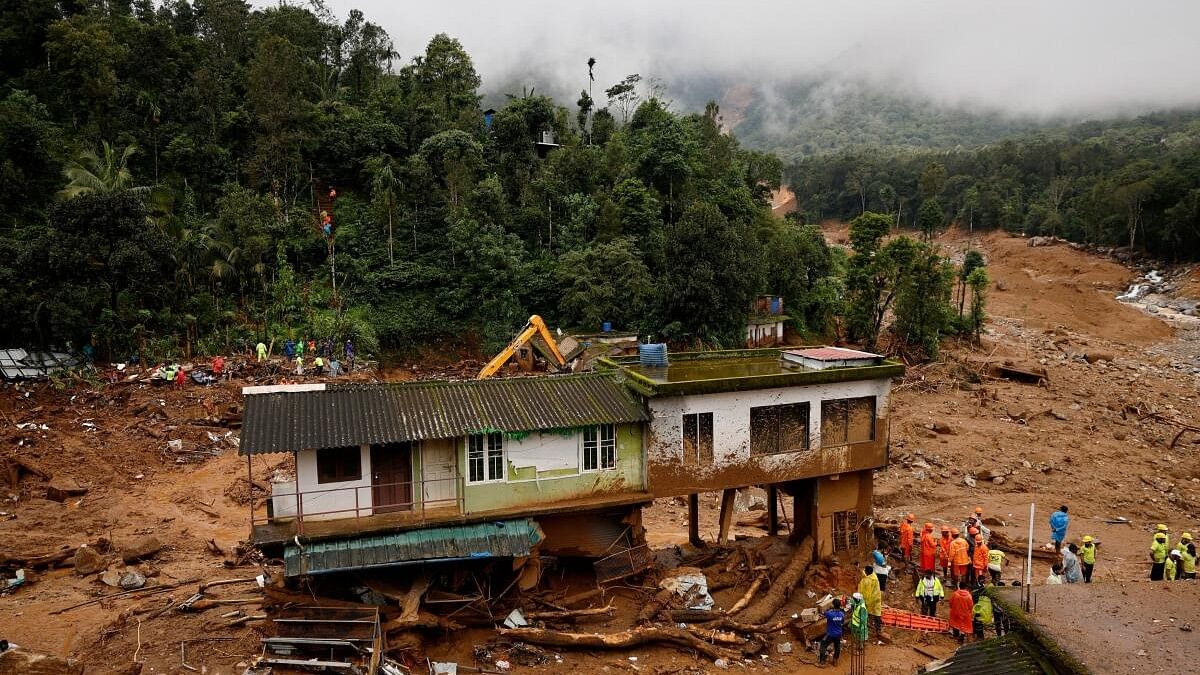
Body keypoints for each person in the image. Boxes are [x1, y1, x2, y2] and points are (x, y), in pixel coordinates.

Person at [818, 597, 846, 667]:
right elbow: (842, 622)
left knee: (823, 645)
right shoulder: (842, 614)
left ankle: (822, 662)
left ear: (833, 605)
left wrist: (830, 609)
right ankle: (835, 661)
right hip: (838, 634)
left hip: (830, 634)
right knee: (837, 647)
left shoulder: (829, 614)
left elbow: (823, 612)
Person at [858, 566, 883, 639]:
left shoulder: (868, 581)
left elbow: (867, 593)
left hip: (871, 599)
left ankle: (866, 628)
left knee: (869, 613)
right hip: (876, 598)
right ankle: (878, 629)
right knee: (877, 613)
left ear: (867, 572)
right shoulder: (873, 576)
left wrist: (865, 602)